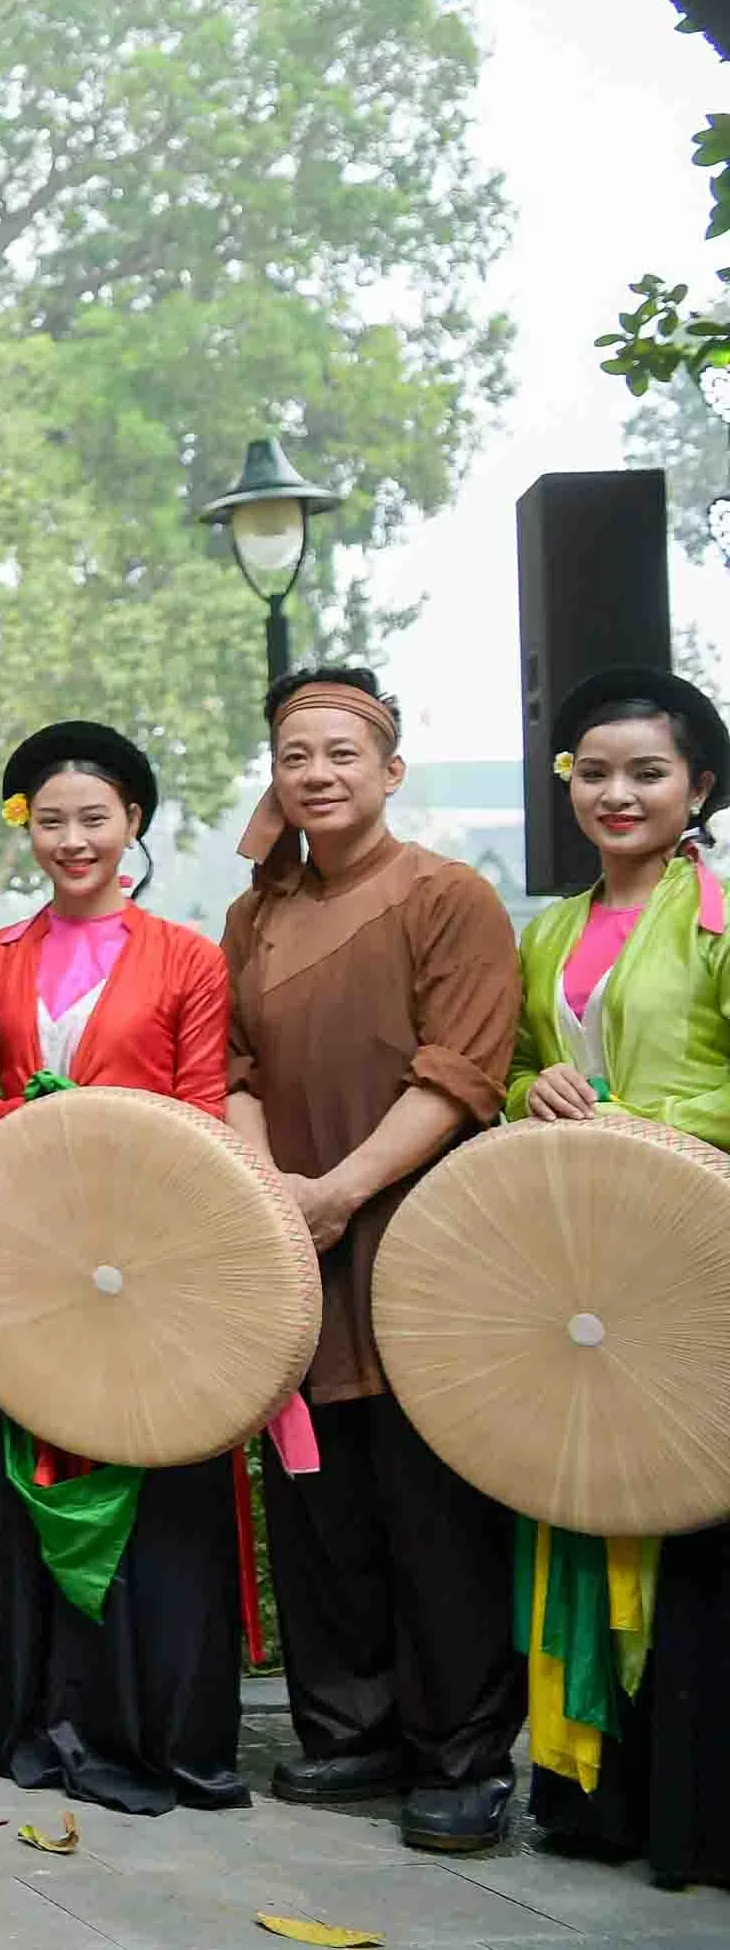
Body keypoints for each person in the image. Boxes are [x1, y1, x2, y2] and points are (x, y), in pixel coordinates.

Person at [221, 664, 521, 1854]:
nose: (319, 774)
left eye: (343, 754)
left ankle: (462, 1754)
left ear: (390, 770)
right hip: (293, 1238)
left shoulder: (450, 897)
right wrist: (273, 1198)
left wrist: (342, 1191)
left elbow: (461, 1070)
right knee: (319, 1493)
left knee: (431, 1500)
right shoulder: (253, 915)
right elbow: (234, 1067)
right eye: (297, 756)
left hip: (417, 1232)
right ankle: (351, 1728)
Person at [0, 720, 247, 1817]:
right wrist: (22, 1115)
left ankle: (152, 1725)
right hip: (24, 1266)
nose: (74, 841)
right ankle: (31, 1715)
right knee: (22, 1462)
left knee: (153, 1477)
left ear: (133, 825)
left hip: (152, 1261)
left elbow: (205, 1111)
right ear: (26, 827)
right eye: (52, 820)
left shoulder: (187, 959)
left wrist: (104, 1127)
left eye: (97, 818)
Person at [504, 665, 730, 1886]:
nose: (616, 793)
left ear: (699, 785)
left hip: (695, 1258)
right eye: (593, 773)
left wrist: (638, 1117)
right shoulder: (546, 926)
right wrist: (522, 1095)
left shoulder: (722, 918)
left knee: (693, 1514)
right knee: (578, 1495)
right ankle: (594, 1796)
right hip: (585, 1264)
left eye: (646, 772)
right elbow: (520, 1082)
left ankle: (692, 1810)